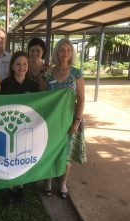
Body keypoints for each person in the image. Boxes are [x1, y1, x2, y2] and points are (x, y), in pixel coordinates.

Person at [43, 38, 86, 199]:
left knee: (66, 153)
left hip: (70, 120)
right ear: (57, 52)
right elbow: (42, 97)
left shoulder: (76, 74)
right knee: (50, 150)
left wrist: (77, 121)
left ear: (72, 53)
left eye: (69, 50)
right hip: (51, 120)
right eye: (62, 50)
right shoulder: (48, 73)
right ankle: (47, 181)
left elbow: (81, 99)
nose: (65, 53)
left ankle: (62, 183)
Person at [1, 51, 39, 205]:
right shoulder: (4, 84)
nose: (21, 67)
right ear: (12, 66)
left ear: (28, 66)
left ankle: (20, 188)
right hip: (8, 127)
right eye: (18, 64)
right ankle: (9, 189)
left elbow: (38, 107)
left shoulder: (34, 85)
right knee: (9, 158)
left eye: (24, 64)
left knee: (22, 158)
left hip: (26, 127)